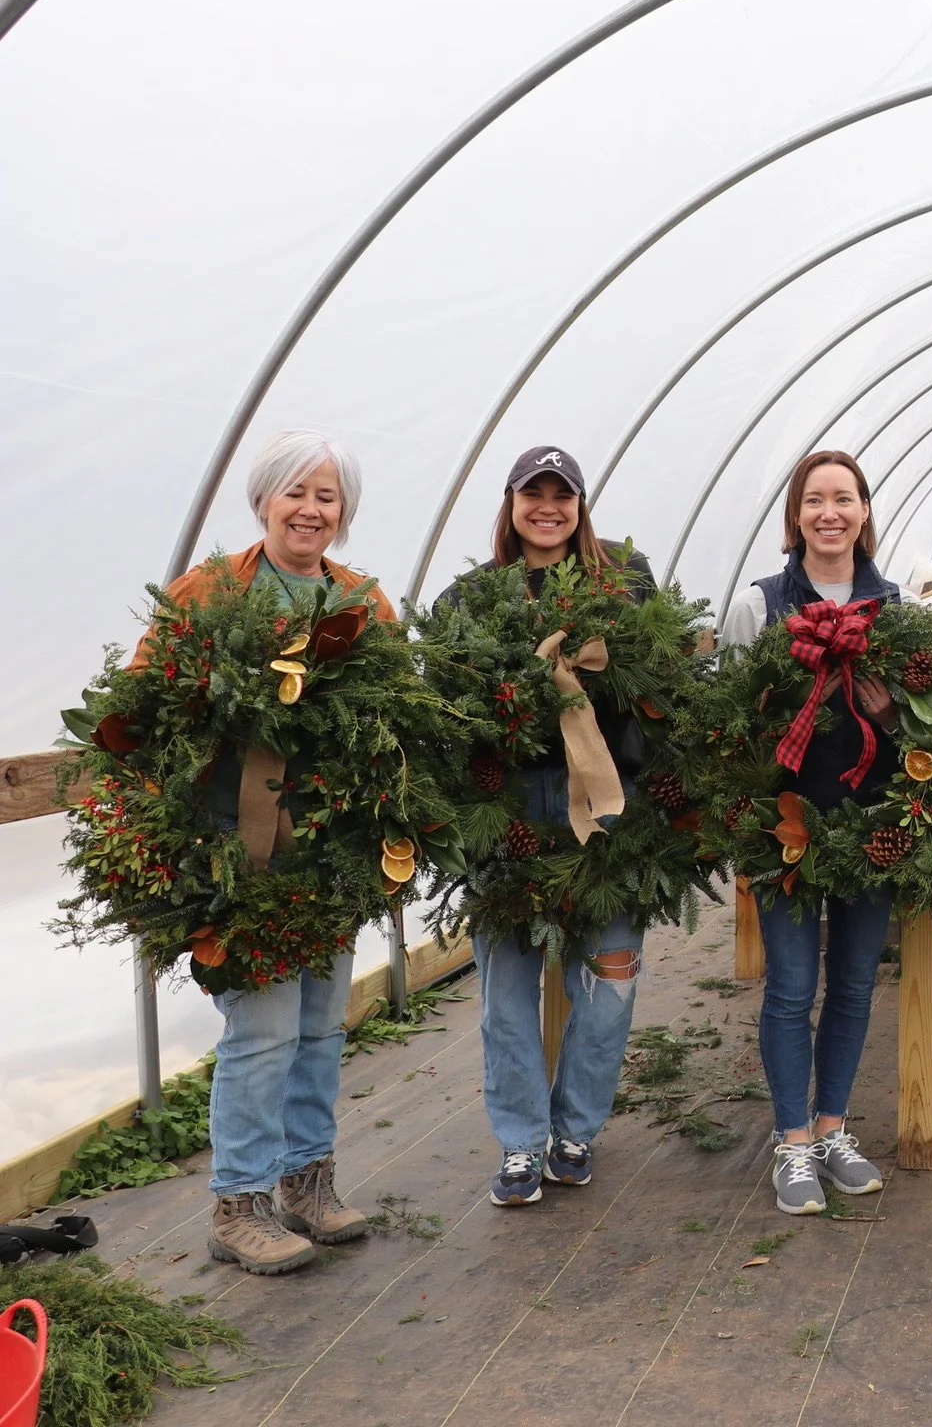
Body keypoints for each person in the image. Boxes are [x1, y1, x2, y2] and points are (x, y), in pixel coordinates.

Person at [150, 431, 388, 1274]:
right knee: (260, 1030)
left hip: (328, 848)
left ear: (343, 512)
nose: (311, 510)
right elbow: (149, 701)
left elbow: (394, 709)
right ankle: (239, 1203)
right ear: (263, 501)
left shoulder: (361, 601)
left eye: (327, 496)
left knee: (320, 1023)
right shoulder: (210, 591)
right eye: (296, 492)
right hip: (238, 848)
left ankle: (306, 1182)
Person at [439, 446, 658, 1210]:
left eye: (561, 494)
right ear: (510, 504)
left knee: (609, 981)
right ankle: (522, 1141)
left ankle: (576, 1132)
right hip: (509, 815)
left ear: (579, 505)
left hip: (607, 806)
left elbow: (658, 689)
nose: (547, 507)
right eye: (532, 492)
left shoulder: (624, 585)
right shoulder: (470, 599)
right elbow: (452, 712)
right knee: (506, 991)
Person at [721, 450, 902, 1216]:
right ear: (795, 516)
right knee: (792, 988)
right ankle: (791, 1141)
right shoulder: (760, 606)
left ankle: (833, 1128)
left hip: (870, 827)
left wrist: (890, 709)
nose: (830, 513)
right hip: (786, 831)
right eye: (815, 500)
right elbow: (728, 725)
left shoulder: (894, 608)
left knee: (855, 985)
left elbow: (926, 728)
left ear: (864, 513)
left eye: (844, 499)